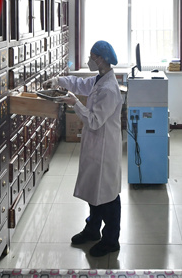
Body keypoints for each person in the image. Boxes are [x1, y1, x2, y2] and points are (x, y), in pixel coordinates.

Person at [42, 40, 123, 257]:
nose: (89, 60)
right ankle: (92, 229)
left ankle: (111, 240)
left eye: (92, 57)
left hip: (105, 148)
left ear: (102, 59)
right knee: (93, 190)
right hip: (94, 145)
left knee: (107, 195)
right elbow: (79, 84)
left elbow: (95, 121)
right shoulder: (99, 80)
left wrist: (75, 103)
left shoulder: (109, 89)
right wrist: (58, 80)